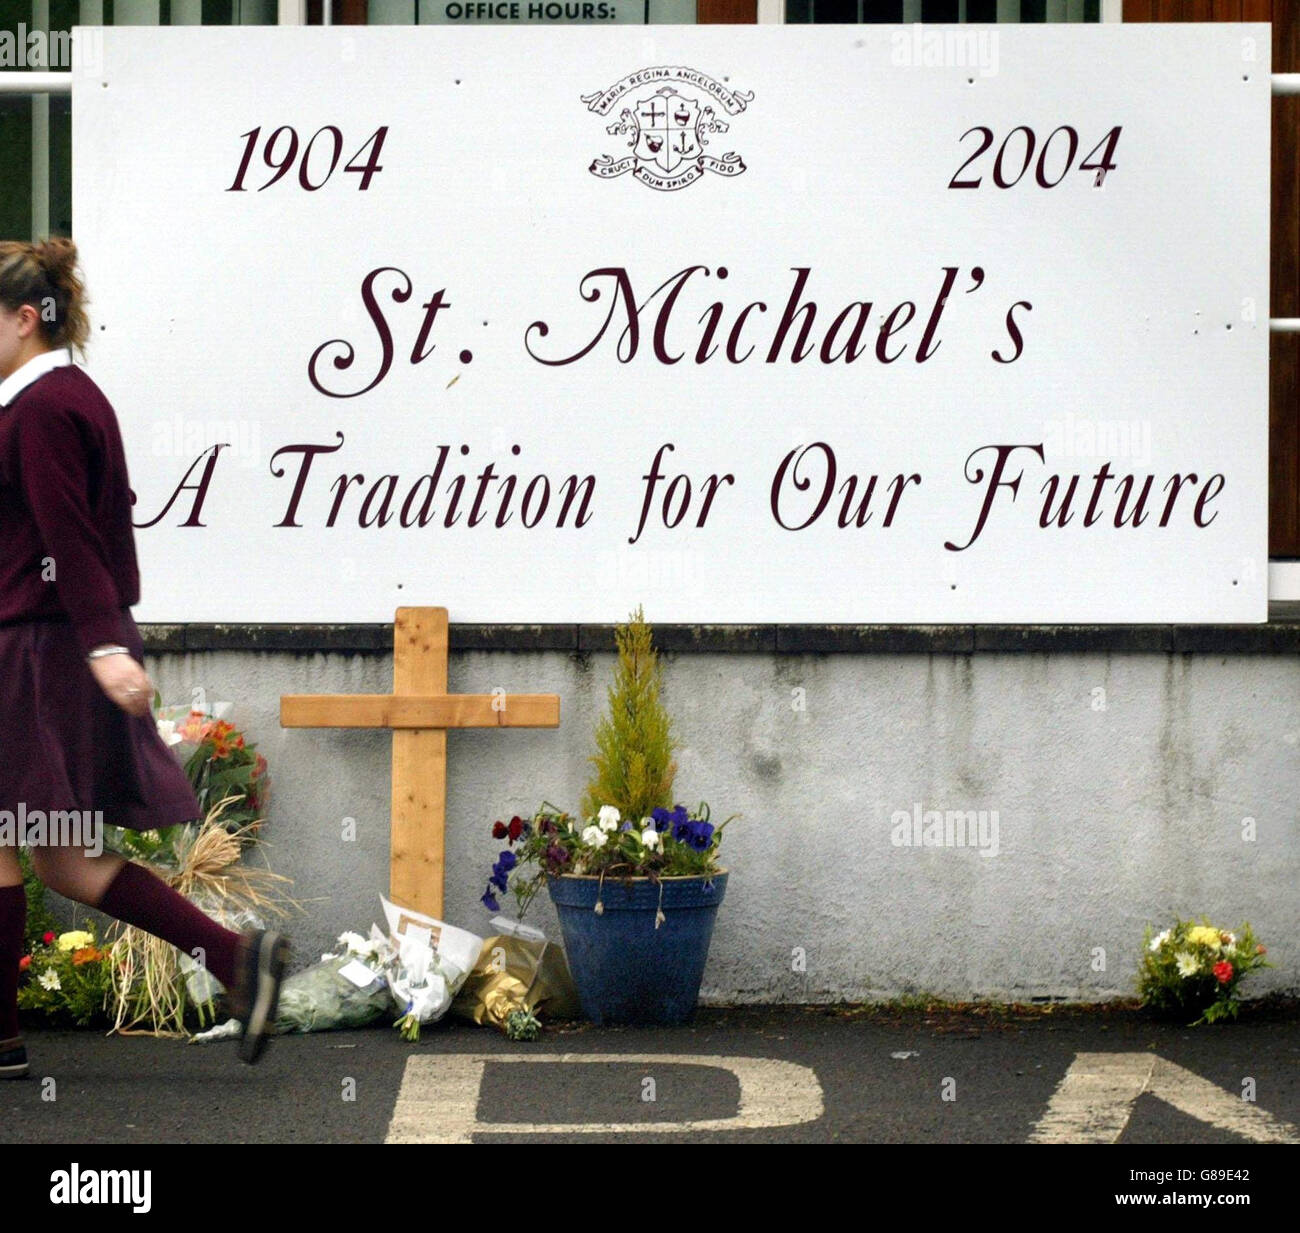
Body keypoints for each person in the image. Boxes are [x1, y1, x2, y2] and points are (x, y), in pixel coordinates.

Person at [0, 236, 290, 1075]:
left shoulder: (43, 409)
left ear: (26, 318)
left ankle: (5, 1039)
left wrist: (99, 643)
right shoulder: (67, 396)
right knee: (59, 853)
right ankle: (234, 960)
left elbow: (71, 538)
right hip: (51, 646)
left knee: (28, 843)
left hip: (36, 652)